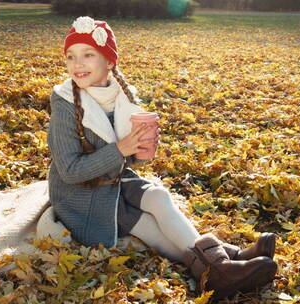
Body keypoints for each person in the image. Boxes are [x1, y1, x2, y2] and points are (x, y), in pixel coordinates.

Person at [47, 16, 277, 299]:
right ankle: (215, 272)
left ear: (109, 62)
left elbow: (128, 162)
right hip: (79, 193)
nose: (77, 63)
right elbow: (69, 170)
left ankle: (230, 257)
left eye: (88, 55)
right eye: (71, 56)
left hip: (115, 178)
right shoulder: (65, 104)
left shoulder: (122, 96)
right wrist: (121, 149)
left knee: (158, 197)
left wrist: (141, 151)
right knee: (148, 225)